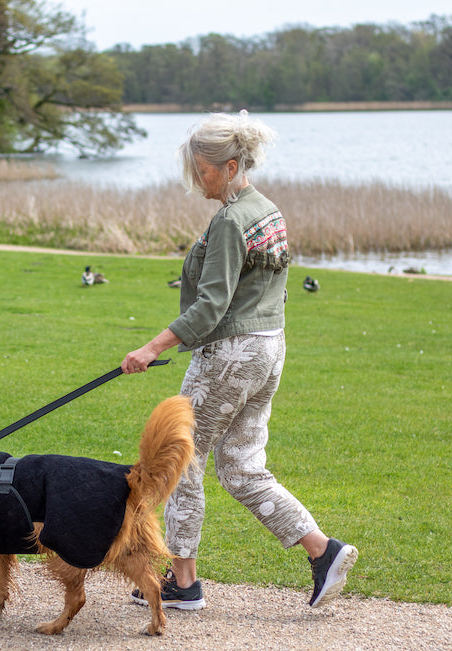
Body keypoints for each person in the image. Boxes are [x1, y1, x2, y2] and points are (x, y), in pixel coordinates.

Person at [121, 111, 358, 611]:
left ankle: (182, 585)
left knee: (181, 462)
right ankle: (323, 551)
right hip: (268, 350)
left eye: (204, 170)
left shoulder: (231, 220)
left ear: (230, 166)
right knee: (242, 467)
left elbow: (211, 306)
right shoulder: (268, 210)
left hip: (230, 354)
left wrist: (152, 348)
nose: (198, 179)